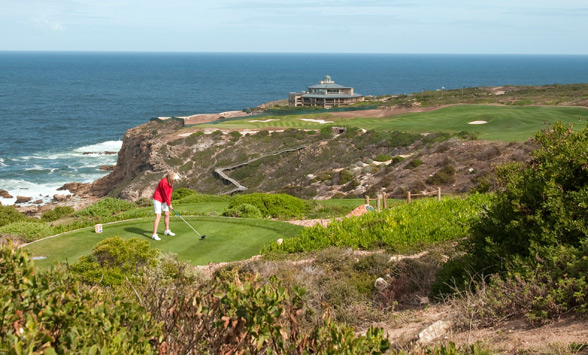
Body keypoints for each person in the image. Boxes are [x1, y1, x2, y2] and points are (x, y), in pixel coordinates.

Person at [152, 171, 179, 240]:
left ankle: (166, 231)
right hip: (157, 198)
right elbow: (165, 194)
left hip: (164, 200)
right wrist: (168, 204)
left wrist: (169, 203)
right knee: (159, 215)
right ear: (170, 177)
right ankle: (154, 234)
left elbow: (169, 194)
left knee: (167, 214)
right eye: (173, 179)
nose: (174, 181)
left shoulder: (170, 183)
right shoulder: (163, 182)